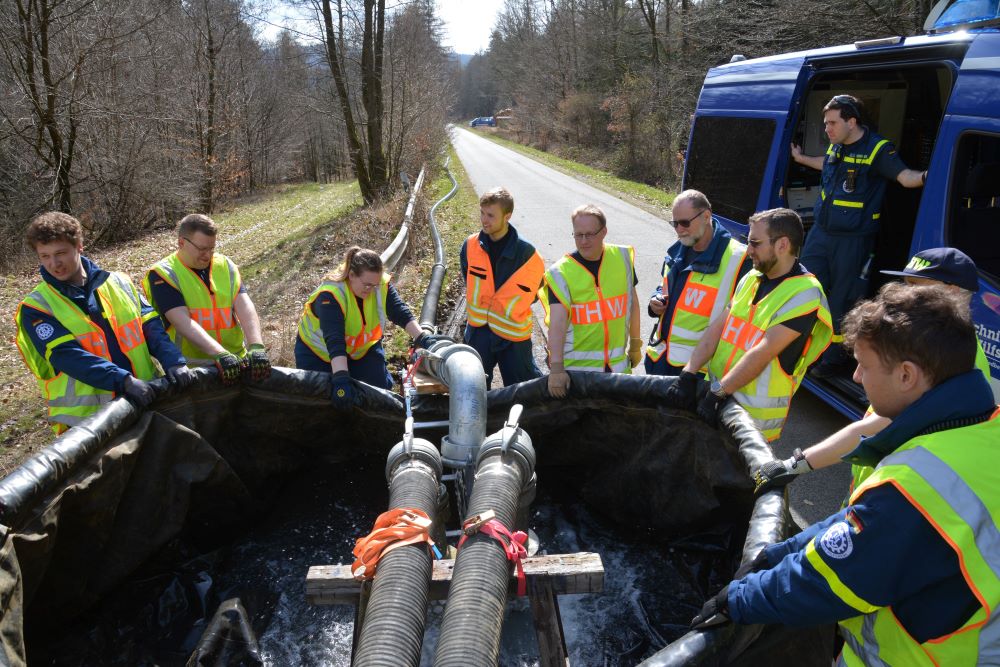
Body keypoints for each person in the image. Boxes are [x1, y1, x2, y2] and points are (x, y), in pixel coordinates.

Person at [691, 283, 1000, 667]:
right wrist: (779, 552)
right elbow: (859, 526)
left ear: (906, 375)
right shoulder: (981, 429)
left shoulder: (916, 487)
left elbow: (829, 580)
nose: (855, 376)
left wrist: (735, 600)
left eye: (864, 366)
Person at [753, 247, 993, 494]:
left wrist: (794, 465)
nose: (904, 292)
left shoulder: (954, 358)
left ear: (952, 291)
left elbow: (874, 427)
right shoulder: (936, 342)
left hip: (896, 490)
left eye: (915, 285)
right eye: (905, 283)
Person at [15, 212, 193, 434]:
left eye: (60, 253)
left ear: (79, 246)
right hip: (89, 424)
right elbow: (67, 357)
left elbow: (151, 327)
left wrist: (173, 360)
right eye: (45, 256)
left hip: (147, 399)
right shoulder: (37, 307)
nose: (54, 264)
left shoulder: (119, 283)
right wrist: (123, 381)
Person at [665, 208, 832, 441]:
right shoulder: (752, 277)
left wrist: (718, 393)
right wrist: (689, 371)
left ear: (782, 245)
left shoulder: (805, 293)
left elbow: (763, 352)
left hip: (751, 422)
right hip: (718, 398)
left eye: (755, 243)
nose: (749, 250)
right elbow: (718, 328)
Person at [791, 94, 926, 377]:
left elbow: (904, 177)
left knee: (843, 299)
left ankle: (834, 359)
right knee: (804, 287)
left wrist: (927, 176)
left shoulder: (877, 149)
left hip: (853, 240)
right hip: (821, 234)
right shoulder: (837, 145)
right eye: (825, 123)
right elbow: (826, 163)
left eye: (832, 123)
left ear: (851, 122)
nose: (826, 129)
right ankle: (800, 345)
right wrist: (801, 158)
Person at [295, 246, 444, 407]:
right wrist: (341, 377)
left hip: (362, 350)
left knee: (379, 394)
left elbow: (400, 312)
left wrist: (423, 338)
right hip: (319, 354)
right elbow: (335, 341)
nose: (371, 290)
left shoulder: (379, 284)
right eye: (367, 285)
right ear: (352, 275)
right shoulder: (330, 295)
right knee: (324, 398)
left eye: (375, 285)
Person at [143, 214, 270, 386]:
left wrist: (256, 345)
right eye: (202, 249)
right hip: (194, 373)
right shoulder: (164, 274)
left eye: (212, 249)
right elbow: (182, 321)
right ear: (181, 243)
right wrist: (219, 353)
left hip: (236, 362)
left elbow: (244, 305)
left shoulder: (225, 265)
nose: (207, 255)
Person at [645, 189, 750, 376]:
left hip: (697, 371)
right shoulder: (677, 250)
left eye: (685, 223)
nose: (679, 230)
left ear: (706, 216)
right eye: (675, 224)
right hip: (660, 360)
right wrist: (656, 300)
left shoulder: (739, 259)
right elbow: (665, 286)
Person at [543, 204, 642, 398]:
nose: (583, 241)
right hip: (578, 376)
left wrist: (636, 344)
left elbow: (633, 305)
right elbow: (557, 325)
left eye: (589, 234)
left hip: (617, 370)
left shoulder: (621, 258)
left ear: (604, 232)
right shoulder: (560, 273)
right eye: (578, 235)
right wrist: (556, 368)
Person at [460, 187, 545, 386]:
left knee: (521, 390)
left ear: (507, 216)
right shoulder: (470, 245)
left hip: (513, 336)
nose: (484, 220)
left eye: (490, 215)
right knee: (474, 388)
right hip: (479, 332)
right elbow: (468, 278)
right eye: (482, 213)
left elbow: (536, 293)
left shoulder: (528, 255)